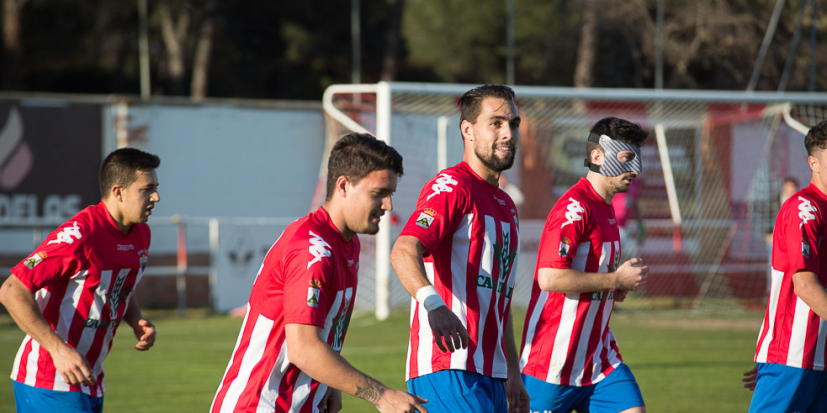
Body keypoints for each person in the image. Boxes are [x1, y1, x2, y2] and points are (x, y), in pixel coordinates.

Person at [210, 133, 426, 413]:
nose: (388, 206)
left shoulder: (348, 243)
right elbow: (303, 348)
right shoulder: (312, 251)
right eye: (378, 194)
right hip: (258, 405)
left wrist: (330, 384)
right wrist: (381, 395)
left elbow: (321, 334)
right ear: (344, 186)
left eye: (390, 194)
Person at [390, 84, 529, 413]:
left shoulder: (507, 204)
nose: (508, 133)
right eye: (495, 123)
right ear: (467, 130)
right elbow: (403, 250)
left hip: (492, 373)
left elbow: (499, 301)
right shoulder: (452, 186)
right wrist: (434, 305)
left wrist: (512, 372)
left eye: (513, 124)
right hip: (449, 365)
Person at [0, 147, 161, 413]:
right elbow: (11, 290)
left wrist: (135, 320)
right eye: (147, 189)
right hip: (48, 381)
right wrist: (58, 349)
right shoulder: (79, 236)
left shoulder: (141, 233)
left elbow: (120, 287)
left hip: (90, 379)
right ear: (118, 192)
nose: (156, 196)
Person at [519, 117, 649, 413]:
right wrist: (615, 280)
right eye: (628, 158)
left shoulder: (607, 209)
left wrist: (615, 287)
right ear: (597, 156)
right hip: (552, 363)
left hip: (599, 360)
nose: (635, 169)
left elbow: (592, 276)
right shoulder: (573, 208)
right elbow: (549, 278)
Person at [743, 120, 827, 412]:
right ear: (813, 163)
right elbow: (804, 285)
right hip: (795, 357)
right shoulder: (804, 208)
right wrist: (774, 357)